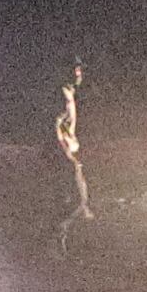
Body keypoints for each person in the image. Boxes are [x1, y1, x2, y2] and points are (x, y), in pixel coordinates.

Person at [50, 56, 91, 226]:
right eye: (76, 69)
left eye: (79, 69)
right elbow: (56, 123)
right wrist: (65, 151)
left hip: (69, 149)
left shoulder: (70, 93)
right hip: (64, 153)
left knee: (77, 194)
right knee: (74, 197)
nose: (79, 74)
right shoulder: (63, 94)